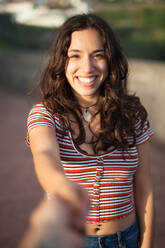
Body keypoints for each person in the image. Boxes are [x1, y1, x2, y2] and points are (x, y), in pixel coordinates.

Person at [26, 14, 154, 248]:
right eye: (75, 55)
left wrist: (147, 243)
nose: (87, 67)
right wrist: (62, 188)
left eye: (98, 55)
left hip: (126, 239)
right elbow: (45, 156)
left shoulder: (133, 114)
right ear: (61, 61)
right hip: (72, 241)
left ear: (110, 59)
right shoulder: (46, 114)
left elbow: (144, 184)